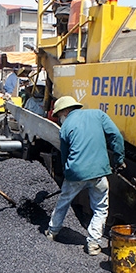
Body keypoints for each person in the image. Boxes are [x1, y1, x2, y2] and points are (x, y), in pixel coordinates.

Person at [44, 96, 125, 256]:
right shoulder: (98, 115)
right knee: (100, 207)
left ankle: (52, 231)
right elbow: (116, 135)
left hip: (75, 173)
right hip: (99, 172)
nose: (60, 119)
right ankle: (94, 243)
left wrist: (67, 173)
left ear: (66, 111)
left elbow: (65, 156)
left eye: (59, 115)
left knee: (64, 201)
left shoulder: (66, 127)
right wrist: (119, 159)